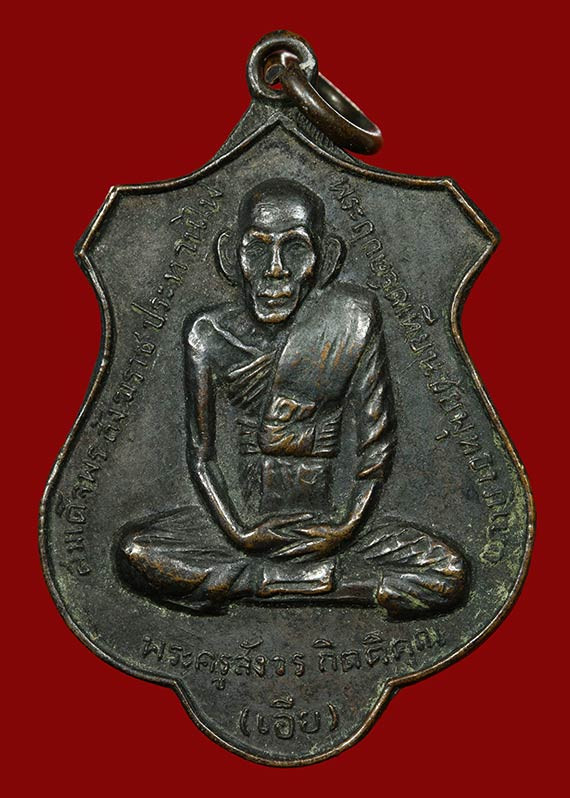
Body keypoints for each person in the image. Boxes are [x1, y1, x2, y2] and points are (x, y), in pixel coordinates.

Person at [118, 179, 467, 617]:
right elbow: (202, 455)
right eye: (257, 249)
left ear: (326, 260)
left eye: (296, 250)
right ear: (231, 256)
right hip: (243, 529)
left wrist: (344, 528)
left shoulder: (353, 319)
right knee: (136, 552)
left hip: (333, 527)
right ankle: (325, 584)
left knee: (450, 572)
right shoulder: (207, 335)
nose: (276, 269)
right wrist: (240, 532)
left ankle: (258, 583)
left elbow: (376, 448)